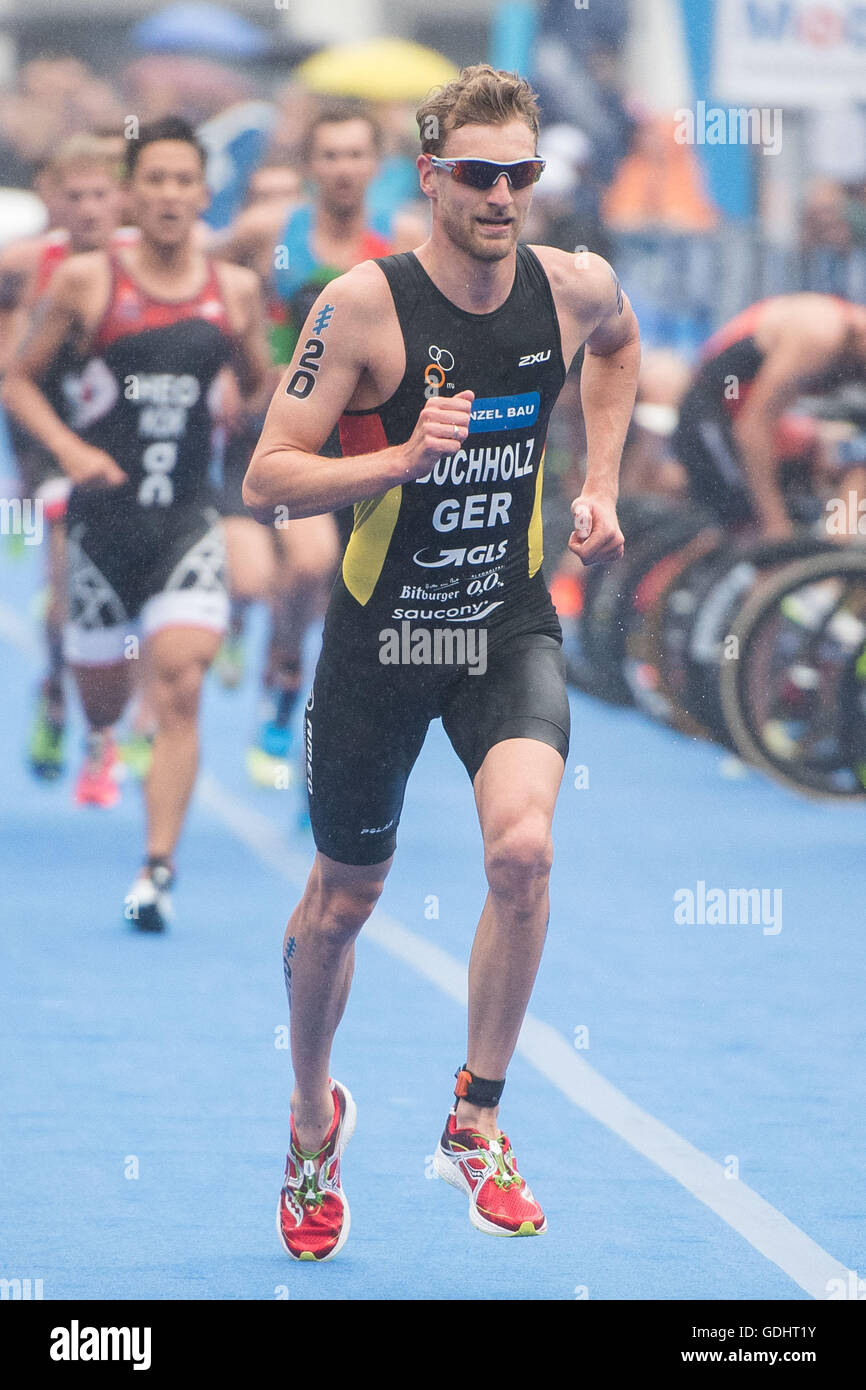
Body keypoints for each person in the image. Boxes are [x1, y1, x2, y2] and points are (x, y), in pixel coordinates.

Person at [244, 64, 639, 1259]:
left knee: (522, 850)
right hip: (380, 638)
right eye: (477, 173)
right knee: (339, 905)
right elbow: (269, 476)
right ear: (430, 178)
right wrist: (396, 462)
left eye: (519, 173)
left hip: (499, 626)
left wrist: (603, 480)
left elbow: (616, 351)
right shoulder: (361, 307)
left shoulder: (573, 289)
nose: (503, 194)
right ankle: (313, 1120)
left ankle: (476, 1115)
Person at [3, 116, 270, 931]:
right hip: (100, 527)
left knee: (182, 683)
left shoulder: (233, 292)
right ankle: (80, 715)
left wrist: (237, 411)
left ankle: (157, 869)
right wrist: (65, 452)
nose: (168, 195)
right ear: (130, 191)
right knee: (106, 705)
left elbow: (264, 381)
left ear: (202, 192)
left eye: (183, 180)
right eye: (152, 179)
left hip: (187, 520)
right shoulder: (88, 282)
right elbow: (17, 380)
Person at [223, 101, 396, 786]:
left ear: (376, 166)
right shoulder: (272, 231)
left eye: (357, 155)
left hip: (360, 444)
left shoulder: (401, 243)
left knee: (350, 612)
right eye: (330, 155)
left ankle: (323, 748)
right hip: (279, 432)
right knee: (306, 564)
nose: (344, 169)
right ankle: (283, 675)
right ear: (309, 166)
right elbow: (200, 281)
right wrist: (243, 357)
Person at [0, 135, 129, 781]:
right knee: (65, 581)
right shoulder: (29, 264)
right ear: (52, 200)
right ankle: (56, 686)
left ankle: (120, 719)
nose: (86, 209)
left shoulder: (144, 262)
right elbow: (14, 363)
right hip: (51, 441)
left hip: (128, 441)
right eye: (72, 196)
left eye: (99, 196)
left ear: (120, 200)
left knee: (136, 585)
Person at [672, 294, 866, 537]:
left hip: (741, 412)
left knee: (857, 462)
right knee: (743, 522)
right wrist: (774, 522)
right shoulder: (822, 333)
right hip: (711, 413)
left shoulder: (846, 335)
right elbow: (752, 428)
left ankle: (836, 553)